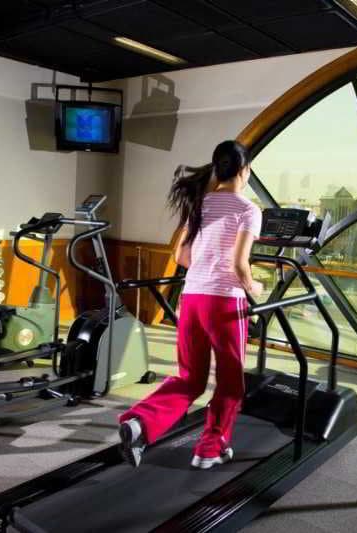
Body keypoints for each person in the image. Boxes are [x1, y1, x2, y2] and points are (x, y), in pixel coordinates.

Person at [118, 140, 264, 470]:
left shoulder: (200, 204)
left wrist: (206, 264)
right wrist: (255, 286)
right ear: (244, 171)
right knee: (230, 382)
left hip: (192, 298)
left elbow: (181, 256)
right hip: (224, 303)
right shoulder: (248, 210)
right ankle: (210, 449)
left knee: (190, 378)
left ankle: (140, 421)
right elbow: (240, 264)